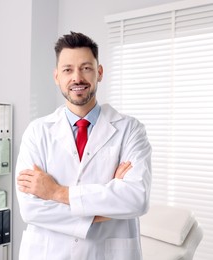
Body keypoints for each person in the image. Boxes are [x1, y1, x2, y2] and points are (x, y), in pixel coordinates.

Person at [15, 32, 152, 260]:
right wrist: (107, 207)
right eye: (68, 70)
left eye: (86, 68)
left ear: (99, 73)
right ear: (56, 76)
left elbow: (136, 198)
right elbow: (31, 209)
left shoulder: (131, 130)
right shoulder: (37, 132)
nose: (77, 78)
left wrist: (57, 192)